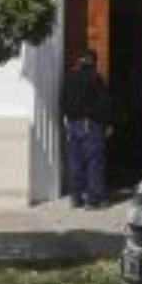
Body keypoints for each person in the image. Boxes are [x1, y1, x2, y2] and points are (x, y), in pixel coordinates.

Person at [60, 50, 110, 208]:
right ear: (93, 62)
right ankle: (93, 200)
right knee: (93, 161)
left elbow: (62, 101)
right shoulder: (95, 78)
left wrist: (70, 116)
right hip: (91, 124)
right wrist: (107, 123)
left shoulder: (69, 77)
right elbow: (103, 104)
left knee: (75, 161)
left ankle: (75, 198)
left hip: (72, 124)